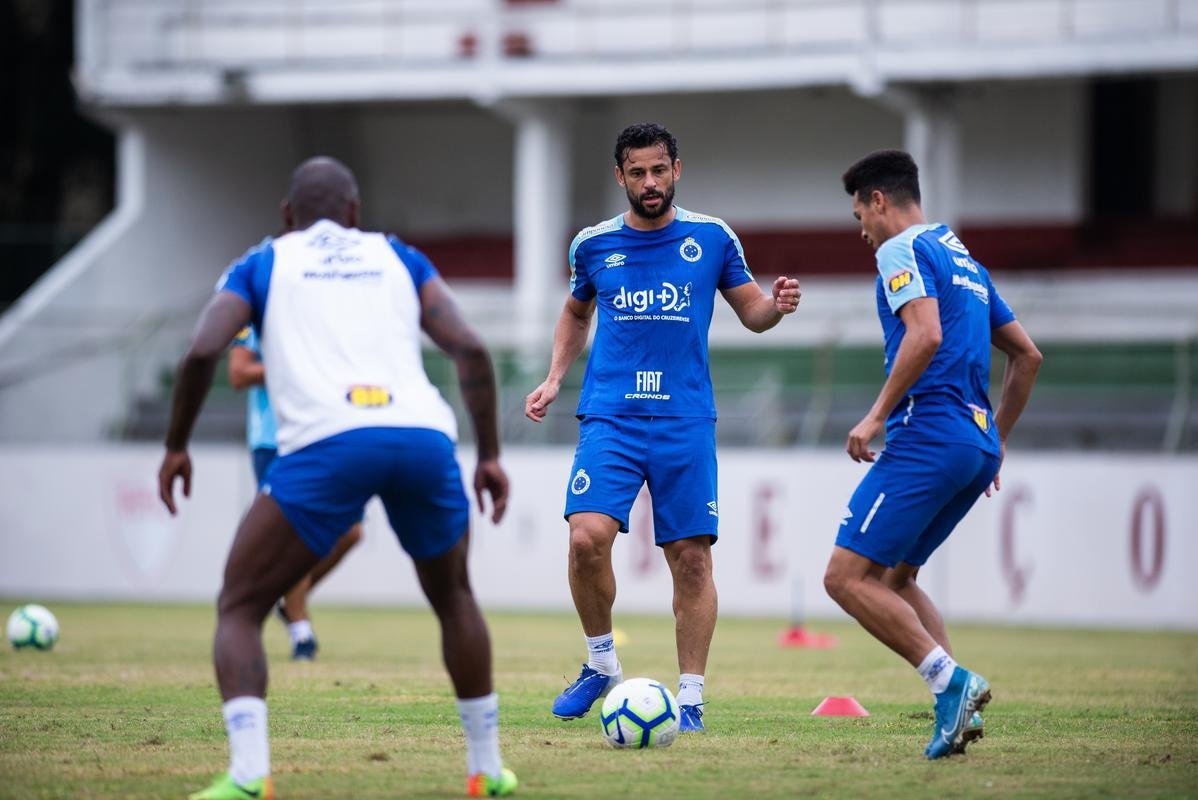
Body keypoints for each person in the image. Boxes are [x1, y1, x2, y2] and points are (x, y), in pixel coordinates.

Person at [158, 156, 517, 799]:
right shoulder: (397, 256)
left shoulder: (264, 261)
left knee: (239, 605)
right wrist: (488, 456)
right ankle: (487, 770)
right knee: (455, 597)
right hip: (420, 437)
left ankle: (247, 776)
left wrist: (176, 445)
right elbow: (470, 347)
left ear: (287, 216)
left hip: (327, 443)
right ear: (355, 213)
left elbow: (203, 350)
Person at [524, 122, 801, 732]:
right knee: (585, 538)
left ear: (677, 169)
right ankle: (601, 665)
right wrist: (553, 377)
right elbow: (575, 313)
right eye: (637, 172)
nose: (649, 183)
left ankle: (693, 700)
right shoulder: (592, 246)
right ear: (619, 176)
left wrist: (774, 307)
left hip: (684, 420)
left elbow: (750, 311)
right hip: (611, 417)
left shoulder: (712, 238)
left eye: (659, 170)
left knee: (691, 560)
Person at [823, 149, 1042, 759]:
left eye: (858, 215)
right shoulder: (963, 258)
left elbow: (925, 335)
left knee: (844, 578)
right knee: (895, 578)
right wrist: (994, 442)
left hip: (929, 433)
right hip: (972, 443)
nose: (860, 231)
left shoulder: (900, 250)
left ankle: (952, 683)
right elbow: (1028, 357)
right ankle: (956, 705)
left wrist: (874, 416)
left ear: (879, 201)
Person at [228, 325, 362, 661]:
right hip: (277, 441)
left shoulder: (324, 315)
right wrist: (297, 368)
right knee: (296, 534)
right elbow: (239, 373)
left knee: (351, 531)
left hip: (325, 435)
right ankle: (301, 629)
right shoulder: (256, 316)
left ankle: (282, 601)